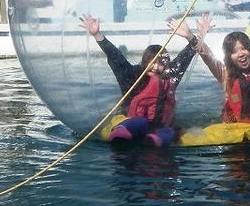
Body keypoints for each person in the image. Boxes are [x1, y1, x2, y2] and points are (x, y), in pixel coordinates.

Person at [80, 13, 201, 147]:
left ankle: (153, 141)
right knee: (139, 122)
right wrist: (97, 35)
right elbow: (115, 57)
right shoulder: (132, 77)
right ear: (144, 61)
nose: (155, 67)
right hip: (130, 123)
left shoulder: (169, 78)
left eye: (160, 63)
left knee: (171, 132)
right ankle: (121, 134)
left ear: (165, 66)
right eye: (151, 61)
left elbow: (186, 57)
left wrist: (190, 36)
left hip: (159, 127)